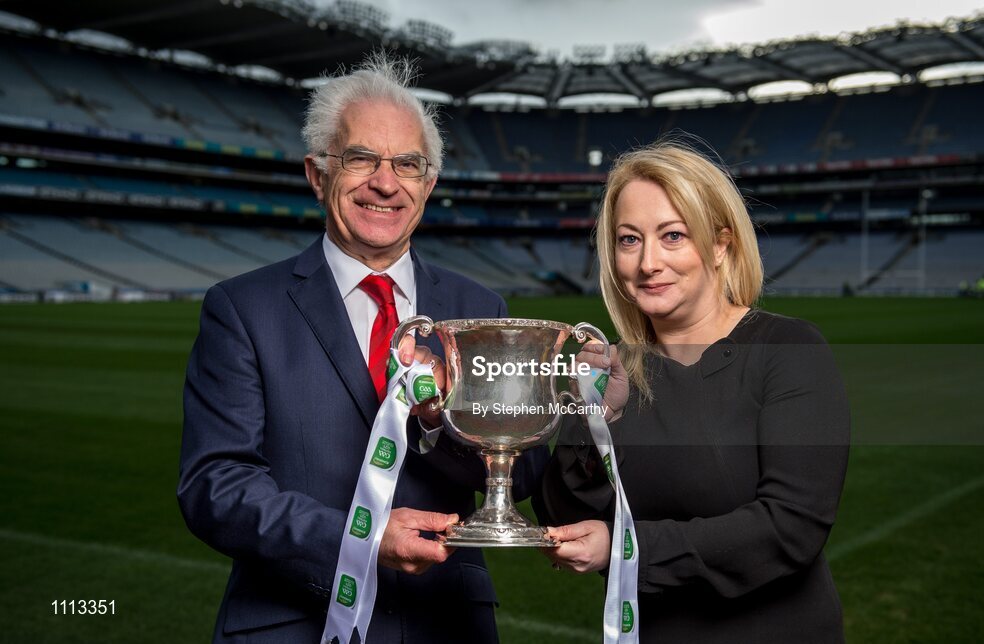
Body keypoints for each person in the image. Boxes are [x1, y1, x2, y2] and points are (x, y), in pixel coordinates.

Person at [178, 54, 547, 643]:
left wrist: (438, 422)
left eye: (408, 163)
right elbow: (214, 485)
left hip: (448, 625)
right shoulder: (243, 308)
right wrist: (360, 535)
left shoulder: (483, 309)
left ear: (428, 184)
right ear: (317, 174)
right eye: (361, 159)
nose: (386, 181)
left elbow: (522, 470)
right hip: (292, 624)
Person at [535, 143, 850, 643]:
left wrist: (629, 548)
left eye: (673, 236)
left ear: (721, 244)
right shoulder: (610, 369)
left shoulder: (788, 349)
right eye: (629, 239)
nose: (647, 263)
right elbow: (561, 519)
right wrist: (594, 421)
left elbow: (791, 527)